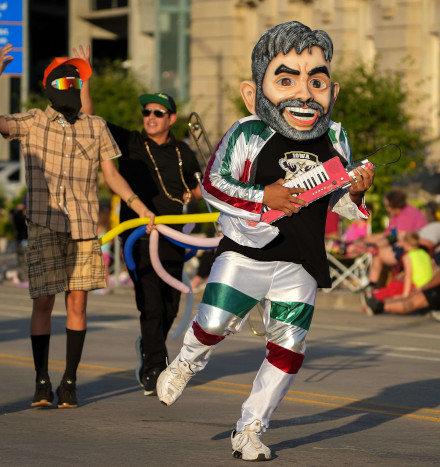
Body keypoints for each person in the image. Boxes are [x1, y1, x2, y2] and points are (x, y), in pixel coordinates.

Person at [154, 22, 374, 461]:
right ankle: (187, 361)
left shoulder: (336, 137)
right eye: (286, 79)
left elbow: (336, 200)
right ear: (254, 92)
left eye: (317, 81)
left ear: (334, 89)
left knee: (289, 349)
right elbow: (213, 186)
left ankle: (250, 428)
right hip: (247, 250)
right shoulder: (247, 132)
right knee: (213, 323)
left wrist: (357, 192)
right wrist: (263, 196)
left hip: (302, 259)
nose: (305, 93)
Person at [0, 44, 154, 409]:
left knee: (78, 304)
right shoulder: (32, 122)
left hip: (84, 227)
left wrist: (138, 206)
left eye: (76, 83)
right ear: (51, 88)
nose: (71, 89)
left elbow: (111, 176)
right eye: (65, 83)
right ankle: (42, 380)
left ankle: (69, 381)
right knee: (43, 302)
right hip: (44, 223)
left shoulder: (95, 127)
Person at [75, 49, 203, 396]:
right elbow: (89, 118)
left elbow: (198, 188)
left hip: (175, 234)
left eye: (158, 112)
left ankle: (149, 349)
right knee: (150, 302)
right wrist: (87, 80)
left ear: (171, 118)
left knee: (170, 304)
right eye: (146, 111)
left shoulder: (184, 153)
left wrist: (195, 195)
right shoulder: (130, 141)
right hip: (138, 234)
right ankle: (155, 369)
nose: (150, 116)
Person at [364, 216, 440, 316]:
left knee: (417, 299)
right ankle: (381, 304)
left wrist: (425, 287)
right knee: (417, 295)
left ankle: (380, 306)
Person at [351, 189, 427, 289]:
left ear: (395, 204)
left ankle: (374, 286)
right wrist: (368, 239)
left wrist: (376, 244)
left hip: (412, 249)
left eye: (388, 206)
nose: (387, 209)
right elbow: (388, 233)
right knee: (376, 249)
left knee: (377, 252)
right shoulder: (397, 214)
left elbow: (396, 237)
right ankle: (374, 285)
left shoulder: (408, 214)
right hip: (402, 245)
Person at [367, 231, 433, 301]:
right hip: (427, 286)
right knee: (397, 283)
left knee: (393, 286)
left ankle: (375, 296)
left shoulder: (408, 257)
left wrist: (405, 295)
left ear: (406, 243)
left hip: (416, 287)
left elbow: (408, 276)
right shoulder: (424, 253)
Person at [10, 195, 28, 286]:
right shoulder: (20, 216)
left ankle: (23, 278)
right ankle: (23, 278)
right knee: (22, 261)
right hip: (22, 241)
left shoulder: (22, 216)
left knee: (23, 261)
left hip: (23, 241)